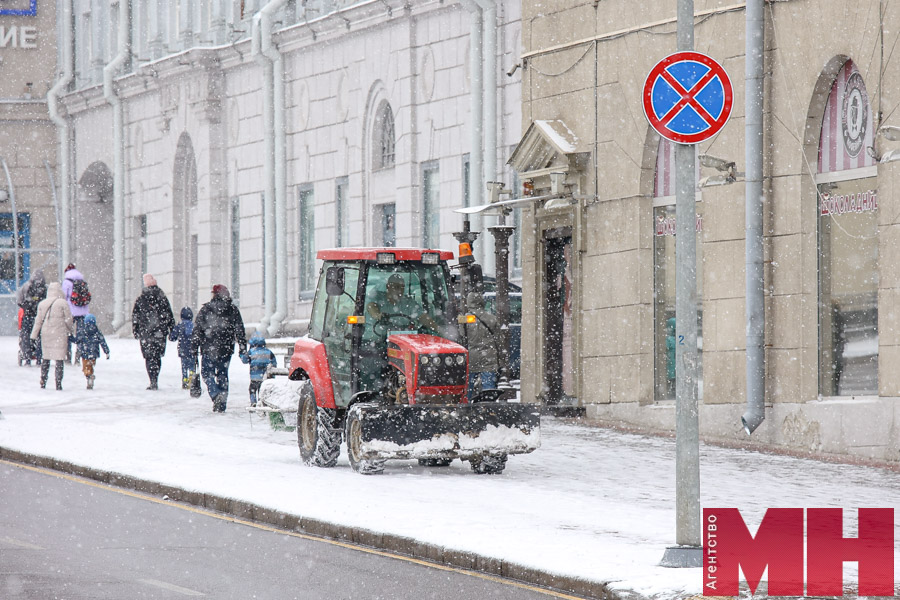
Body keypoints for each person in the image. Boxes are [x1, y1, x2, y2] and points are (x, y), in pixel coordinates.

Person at [191, 284, 247, 413]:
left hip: (209, 347)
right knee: (223, 374)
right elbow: (239, 329)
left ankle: (215, 394)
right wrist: (242, 347)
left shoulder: (206, 309)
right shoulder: (232, 309)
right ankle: (222, 401)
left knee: (207, 374)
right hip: (226, 348)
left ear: (214, 294)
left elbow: (197, 330)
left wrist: (194, 347)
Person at [131, 273, 175, 390]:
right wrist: (171, 328)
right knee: (157, 356)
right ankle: (156, 377)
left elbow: (136, 315)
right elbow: (168, 314)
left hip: (146, 332)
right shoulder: (162, 297)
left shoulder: (141, 299)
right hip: (160, 332)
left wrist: (135, 329)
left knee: (149, 357)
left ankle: (152, 379)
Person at [30, 282, 75, 390]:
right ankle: (58, 383)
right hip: (60, 333)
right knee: (59, 359)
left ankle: (43, 380)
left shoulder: (42, 303)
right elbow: (68, 319)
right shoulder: (63, 303)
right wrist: (72, 330)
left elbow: (38, 322)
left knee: (46, 358)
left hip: (46, 334)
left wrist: (33, 336)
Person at [366, 273, 438, 332]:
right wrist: (377, 315)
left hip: (403, 339)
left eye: (402, 287)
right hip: (378, 338)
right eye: (397, 287)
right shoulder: (378, 297)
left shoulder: (408, 302)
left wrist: (440, 331)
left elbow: (423, 317)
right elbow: (371, 306)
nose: (400, 291)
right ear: (388, 286)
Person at [465, 292, 500, 399]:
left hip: (471, 356)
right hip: (489, 356)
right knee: (488, 385)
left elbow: (461, 336)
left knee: (467, 386)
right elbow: (498, 339)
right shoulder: (491, 318)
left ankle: (466, 406)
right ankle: (488, 407)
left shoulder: (464, 319)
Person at [71, 314, 110, 389]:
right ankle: (90, 377)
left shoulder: (83, 331)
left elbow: (77, 340)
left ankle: (89, 376)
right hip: (94, 353)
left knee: (85, 368)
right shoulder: (97, 332)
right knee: (90, 366)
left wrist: (70, 337)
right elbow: (103, 342)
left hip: (85, 353)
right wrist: (107, 352)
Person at [16, 269, 47, 365]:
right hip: (40, 316)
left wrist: (26, 307)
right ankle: (39, 357)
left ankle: (27, 357)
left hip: (28, 315)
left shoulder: (26, 286)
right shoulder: (45, 288)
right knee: (39, 336)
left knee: (26, 336)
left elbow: (19, 300)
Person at [61, 263, 91, 364]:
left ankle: (68, 356)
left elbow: (64, 297)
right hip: (82, 311)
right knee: (81, 335)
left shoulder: (66, 282)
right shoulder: (82, 281)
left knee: (68, 333)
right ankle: (78, 357)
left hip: (71, 312)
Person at [240, 332, 277, 407]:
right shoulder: (269, 352)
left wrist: (242, 354)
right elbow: (274, 363)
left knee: (252, 389)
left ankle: (253, 402)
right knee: (262, 390)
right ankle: (262, 402)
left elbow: (244, 360)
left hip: (254, 377)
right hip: (265, 377)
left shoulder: (252, 351)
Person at [169, 307, 196, 389]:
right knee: (192, 365)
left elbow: (172, 337)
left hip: (183, 348)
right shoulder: (194, 326)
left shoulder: (180, 325)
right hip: (192, 348)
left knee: (184, 366)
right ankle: (192, 378)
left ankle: (185, 379)